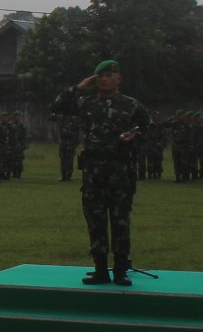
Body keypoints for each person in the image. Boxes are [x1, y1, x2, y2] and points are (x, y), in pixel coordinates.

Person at [52, 60, 150, 286]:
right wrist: (78, 88)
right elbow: (57, 106)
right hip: (93, 175)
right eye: (100, 76)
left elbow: (148, 128)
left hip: (120, 173)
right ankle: (100, 270)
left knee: (120, 224)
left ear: (118, 79)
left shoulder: (131, 105)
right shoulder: (86, 103)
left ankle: (121, 271)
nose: (104, 79)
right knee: (95, 224)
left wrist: (134, 136)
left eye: (109, 75)